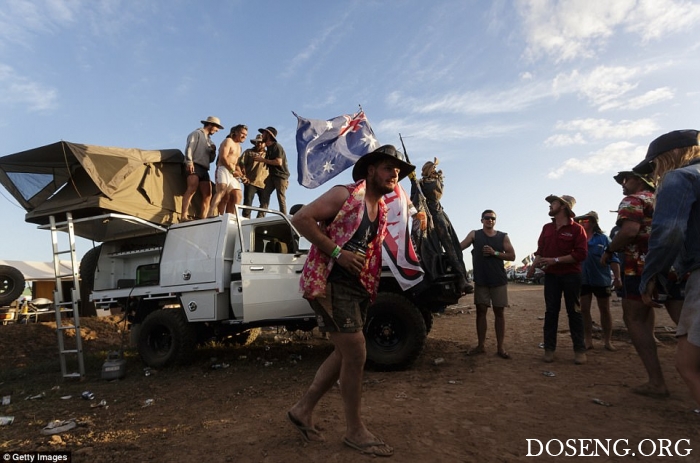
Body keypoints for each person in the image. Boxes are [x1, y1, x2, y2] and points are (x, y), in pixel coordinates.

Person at [287, 145, 414, 458]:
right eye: (388, 168)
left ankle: (302, 410)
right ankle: (355, 430)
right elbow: (301, 218)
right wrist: (337, 253)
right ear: (371, 170)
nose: (394, 174)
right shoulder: (345, 194)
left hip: (357, 287)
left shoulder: (380, 209)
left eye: (397, 171)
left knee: (344, 354)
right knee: (356, 351)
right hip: (331, 282)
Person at [601, 169, 682, 398]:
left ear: (640, 180)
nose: (623, 184)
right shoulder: (667, 198)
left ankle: (657, 382)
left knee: (635, 318)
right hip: (675, 266)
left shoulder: (632, 200)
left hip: (639, 267)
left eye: (626, 179)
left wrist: (609, 250)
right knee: (686, 321)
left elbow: (629, 230)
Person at [635, 129, 700, 404]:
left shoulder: (680, 177)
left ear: (671, 155)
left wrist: (652, 274)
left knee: (688, 365)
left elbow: (670, 232)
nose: (653, 173)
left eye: (654, 164)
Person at [528, 195, 588, 364]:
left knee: (574, 312)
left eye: (553, 203)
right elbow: (540, 250)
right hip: (552, 276)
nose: (550, 206)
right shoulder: (547, 227)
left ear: (563, 207)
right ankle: (549, 349)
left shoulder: (577, 229)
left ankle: (579, 350)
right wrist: (533, 267)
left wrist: (555, 260)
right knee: (551, 312)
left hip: (571, 275)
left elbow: (581, 254)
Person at [460, 210, 516, 359]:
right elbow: (459, 247)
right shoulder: (475, 235)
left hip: (498, 280)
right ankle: (480, 346)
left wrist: (495, 253)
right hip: (482, 281)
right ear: (482, 220)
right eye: (487, 218)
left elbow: (512, 255)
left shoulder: (503, 236)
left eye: (492, 218)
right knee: (481, 312)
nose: (489, 220)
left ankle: (500, 348)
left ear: (495, 221)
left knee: (499, 313)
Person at [411, 158, 471, 294]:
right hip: (426, 218)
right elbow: (413, 200)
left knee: (451, 246)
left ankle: (462, 277)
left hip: (439, 217)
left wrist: (419, 183)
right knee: (427, 246)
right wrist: (413, 183)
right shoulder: (419, 183)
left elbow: (436, 192)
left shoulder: (435, 183)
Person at [574, 211, 621, 351]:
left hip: (601, 279)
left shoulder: (604, 239)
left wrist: (617, 278)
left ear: (594, 222)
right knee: (584, 310)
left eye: (586, 220)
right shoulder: (577, 239)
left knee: (605, 309)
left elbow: (614, 259)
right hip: (583, 279)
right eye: (580, 221)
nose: (582, 223)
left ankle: (607, 341)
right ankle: (588, 340)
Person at [181, 116, 223, 221]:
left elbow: (211, 160)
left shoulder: (210, 141)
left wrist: (213, 152)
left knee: (208, 194)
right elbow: (189, 148)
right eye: (216, 127)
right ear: (210, 125)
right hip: (194, 164)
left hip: (205, 168)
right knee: (191, 189)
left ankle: (203, 218)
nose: (217, 130)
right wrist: (189, 162)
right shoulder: (196, 134)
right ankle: (183, 216)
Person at [209, 124, 247, 217]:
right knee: (222, 191)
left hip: (232, 172)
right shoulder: (228, 141)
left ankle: (230, 216)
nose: (244, 137)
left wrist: (242, 175)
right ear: (236, 132)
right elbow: (223, 158)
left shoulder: (239, 147)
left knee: (237, 195)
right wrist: (232, 171)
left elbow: (236, 163)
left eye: (246, 135)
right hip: (223, 169)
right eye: (242, 134)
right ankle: (211, 213)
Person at [254, 127, 290, 216]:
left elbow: (278, 162)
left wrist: (262, 160)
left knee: (280, 197)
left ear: (269, 135)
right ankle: (260, 217)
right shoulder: (269, 148)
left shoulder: (276, 146)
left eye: (264, 133)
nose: (262, 135)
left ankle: (284, 217)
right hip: (272, 175)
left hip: (281, 176)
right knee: (265, 195)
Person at [239, 133, 269, 218]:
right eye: (258, 142)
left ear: (265, 143)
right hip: (250, 181)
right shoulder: (249, 152)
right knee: (248, 203)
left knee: (264, 204)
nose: (259, 144)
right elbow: (241, 163)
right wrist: (243, 176)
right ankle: (245, 221)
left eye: (261, 142)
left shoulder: (268, 154)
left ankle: (259, 221)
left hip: (264, 183)